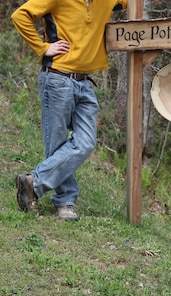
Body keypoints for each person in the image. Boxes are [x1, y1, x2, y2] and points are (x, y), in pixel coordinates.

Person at [11, 0, 127, 221]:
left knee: (86, 142)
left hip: (84, 82)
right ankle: (65, 202)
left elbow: (129, 5)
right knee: (56, 143)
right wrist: (43, 47)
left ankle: (33, 182)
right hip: (57, 78)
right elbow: (20, 16)